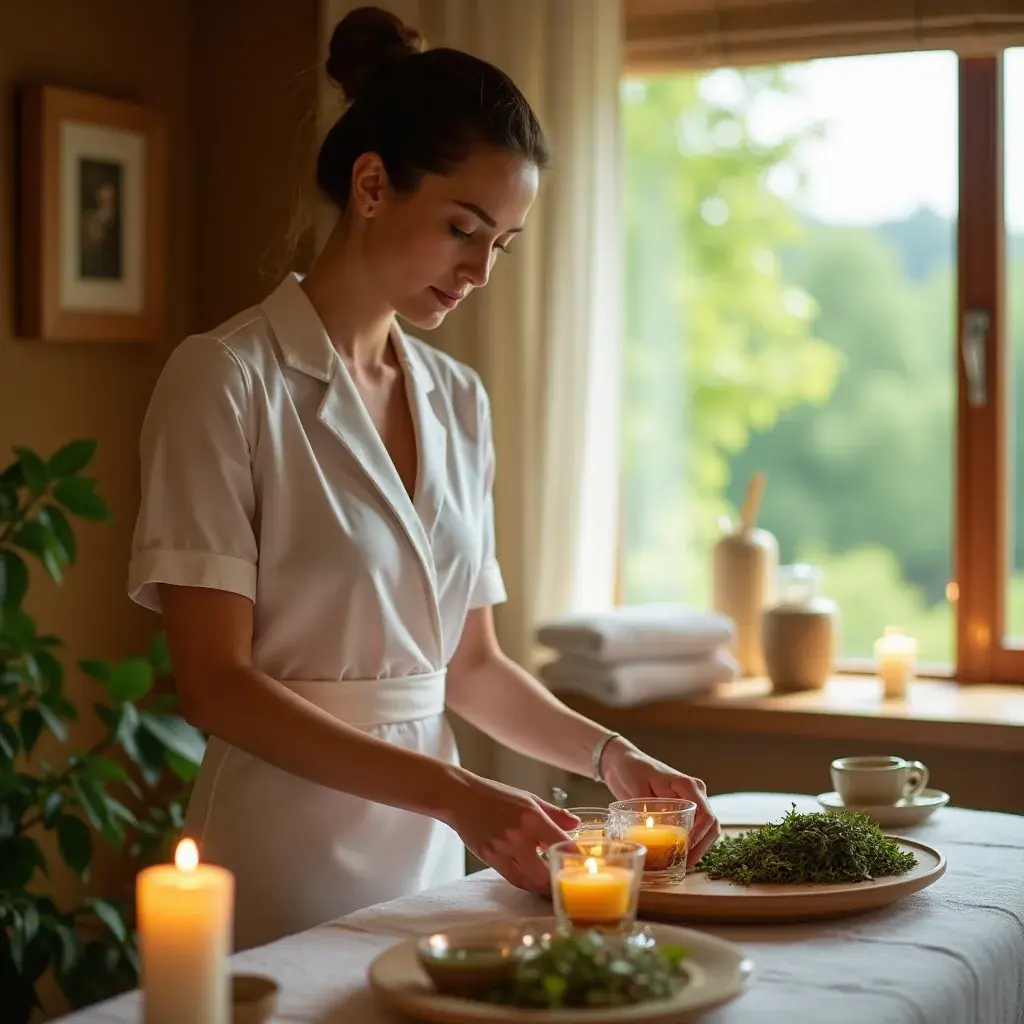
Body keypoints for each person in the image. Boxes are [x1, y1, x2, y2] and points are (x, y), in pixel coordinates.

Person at [127, 5, 720, 952]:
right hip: (281, 853)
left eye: (503, 244)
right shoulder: (227, 379)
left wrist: (611, 757)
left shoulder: (458, 400)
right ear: (370, 185)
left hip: (433, 867)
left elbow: (469, 667)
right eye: (462, 228)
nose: (481, 270)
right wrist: (458, 795)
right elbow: (215, 685)